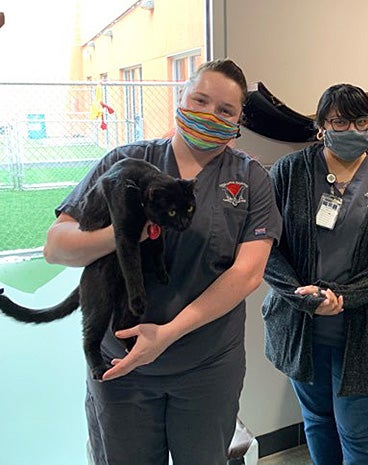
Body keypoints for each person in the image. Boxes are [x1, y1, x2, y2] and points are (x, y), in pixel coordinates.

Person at [43, 59, 281, 465]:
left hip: (207, 367)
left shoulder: (250, 178)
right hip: (122, 366)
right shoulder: (127, 164)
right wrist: (124, 234)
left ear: (240, 119)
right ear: (181, 100)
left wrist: (168, 334)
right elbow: (57, 247)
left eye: (225, 110)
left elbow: (248, 273)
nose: (209, 115)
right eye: (200, 100)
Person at [262, 83, 368, 465]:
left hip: (367, 331)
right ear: (321, 126)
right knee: (317, 420)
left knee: (360, 433)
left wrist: (349, 296)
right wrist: (300, 295)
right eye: (340, 120)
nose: (353, 129)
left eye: (362, 120)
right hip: (302, 327)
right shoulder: (290, 171)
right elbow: (262, 243)